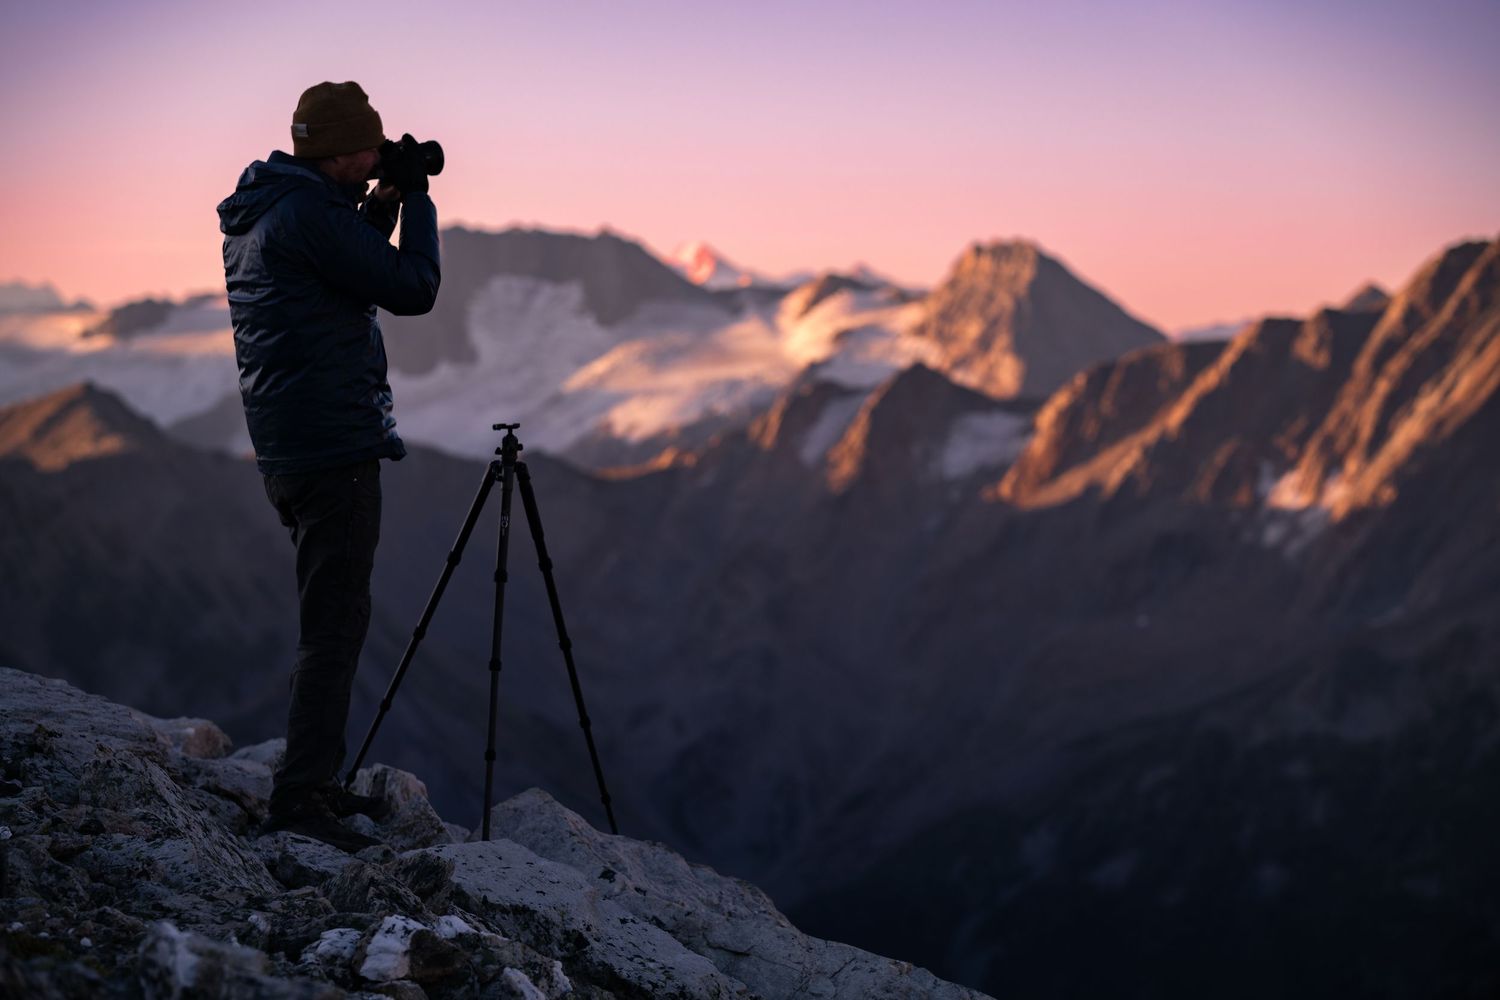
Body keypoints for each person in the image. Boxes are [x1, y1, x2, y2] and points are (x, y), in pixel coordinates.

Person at [217, 81, 440, 852]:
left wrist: (373, 205)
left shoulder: (268, 209)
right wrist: (417, 201)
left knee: (329, 617)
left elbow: (339, 275)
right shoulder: (308, 214)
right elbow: (414, 288)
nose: (379, 156)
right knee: (335, 626)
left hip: (287, 444)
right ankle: (300, 801)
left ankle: (314, 780)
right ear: (340, 151)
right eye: (371, 148)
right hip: (332, 445)